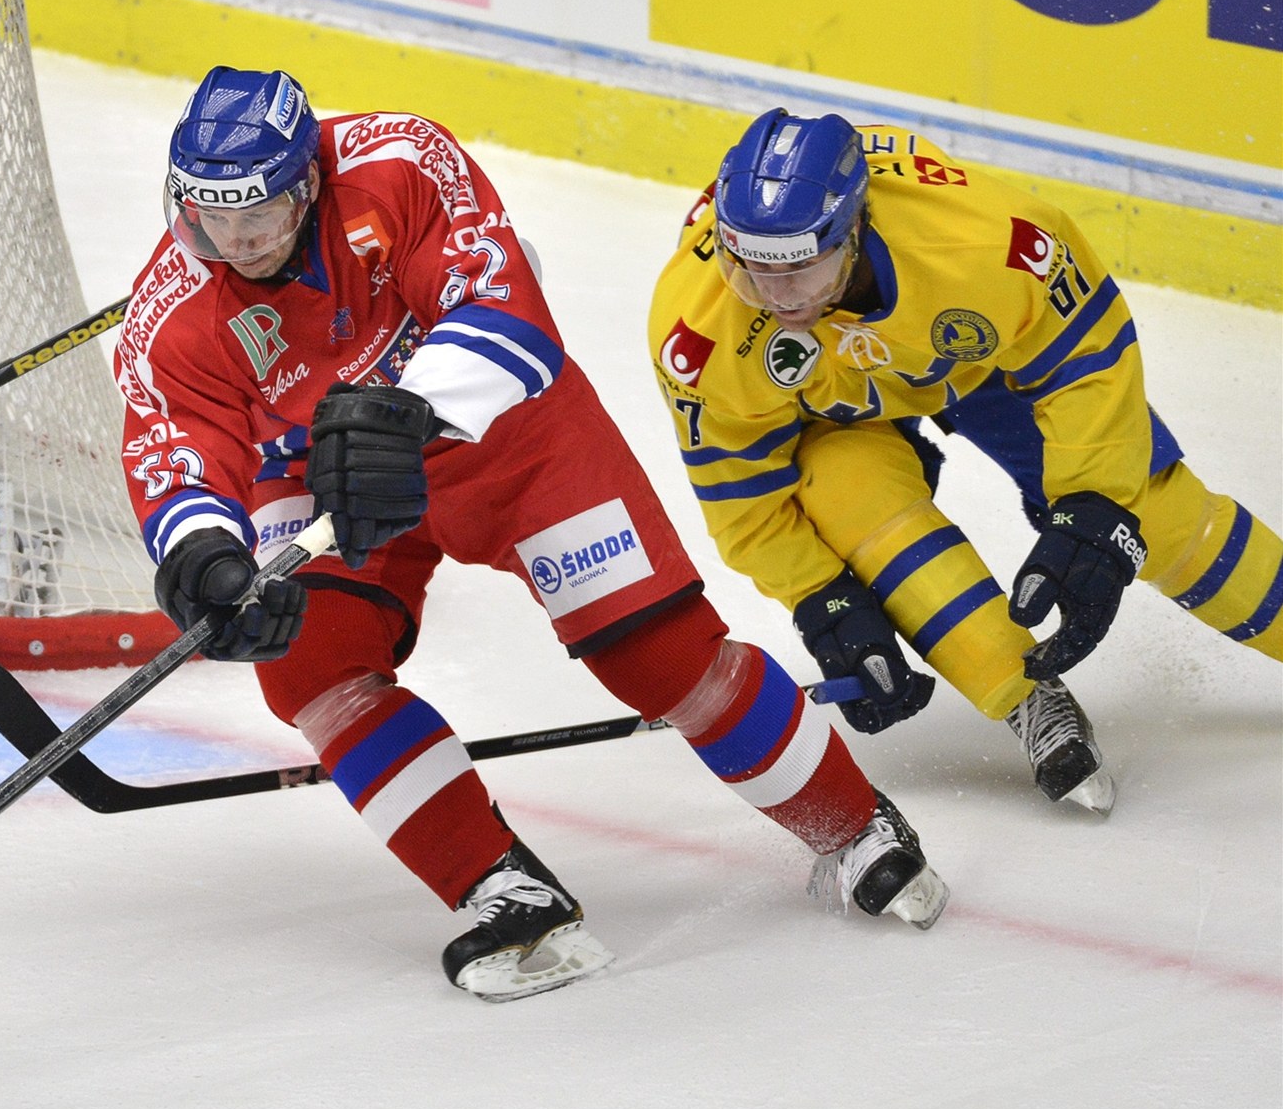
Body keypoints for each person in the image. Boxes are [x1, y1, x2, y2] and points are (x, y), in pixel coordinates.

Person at [114, 67, 950, 1004]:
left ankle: (856, 828)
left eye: (259, 215)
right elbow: (177, 450)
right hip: (326, 476)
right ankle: (504, 890)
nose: (235, 243)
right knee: (310, 662)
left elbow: (503, 305)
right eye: (211, 218)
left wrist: (406, 412)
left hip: (505, 432)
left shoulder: (400, 162)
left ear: (308, 182)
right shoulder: (173, 313)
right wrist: (203, 553)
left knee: (659, 656)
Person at [647, 108, 1280, 816]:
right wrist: (822, 597)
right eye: (753, 270)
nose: (777, 295)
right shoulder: (697, 333)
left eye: (800, 267)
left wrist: (1096, 503)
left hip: (982, 366)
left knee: (1158, 515)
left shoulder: (992, 242)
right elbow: (744, 495)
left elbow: (1088, 361)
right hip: (833, 413)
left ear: (853, 229)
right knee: (849, 500)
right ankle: (1026, 696)